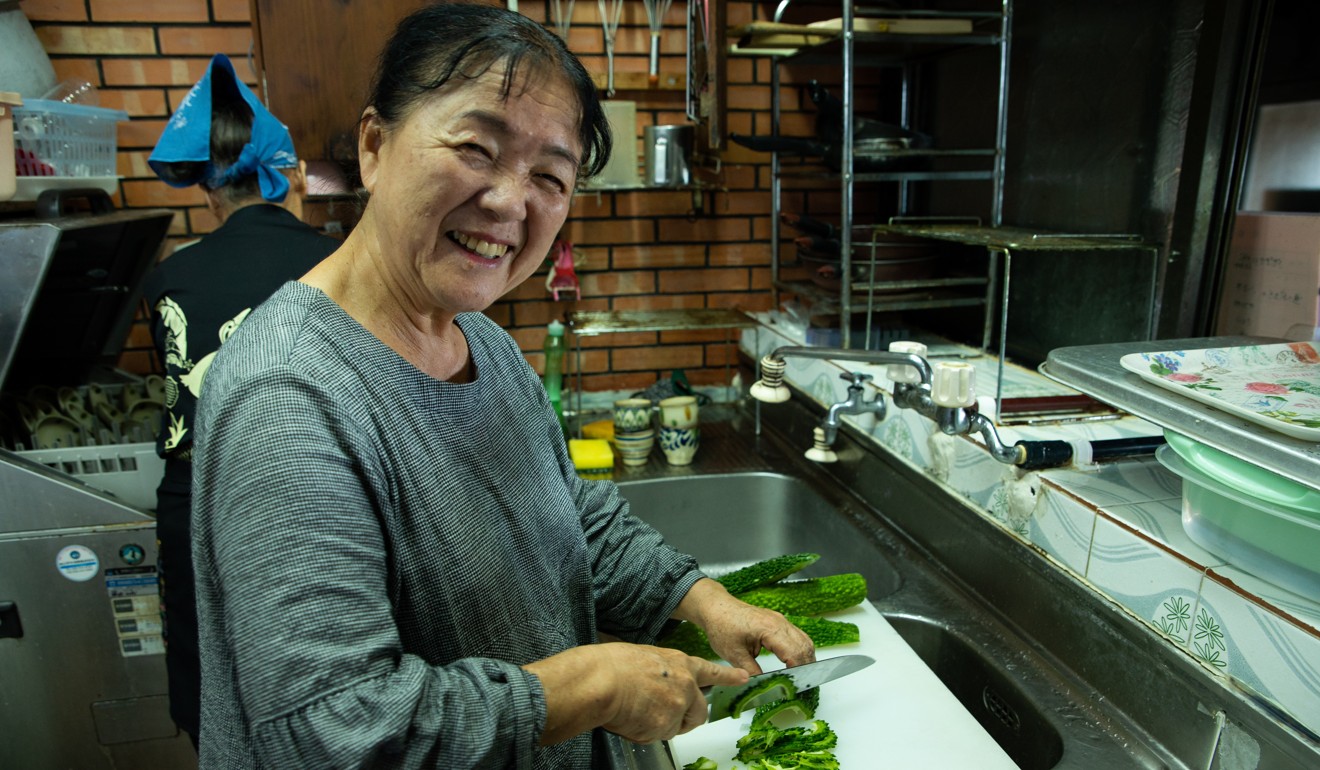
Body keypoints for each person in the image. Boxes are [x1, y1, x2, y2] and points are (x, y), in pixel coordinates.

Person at [189, 4, 814, 767]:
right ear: (375, 146)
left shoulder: (476, 335)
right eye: (477, 149)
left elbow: (568, 511)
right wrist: (588, 687)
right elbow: (332, 728)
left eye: (550, 176)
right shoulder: (289, 396)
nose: (512, 202)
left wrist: (701, 598)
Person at [139, 52, 340, 748]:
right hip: (320, 505)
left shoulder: (171, 279)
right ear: (292, 176)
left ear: (209, 196)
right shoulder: (339, 266)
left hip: (198, 512)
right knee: (334, 698)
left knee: (221, 707)